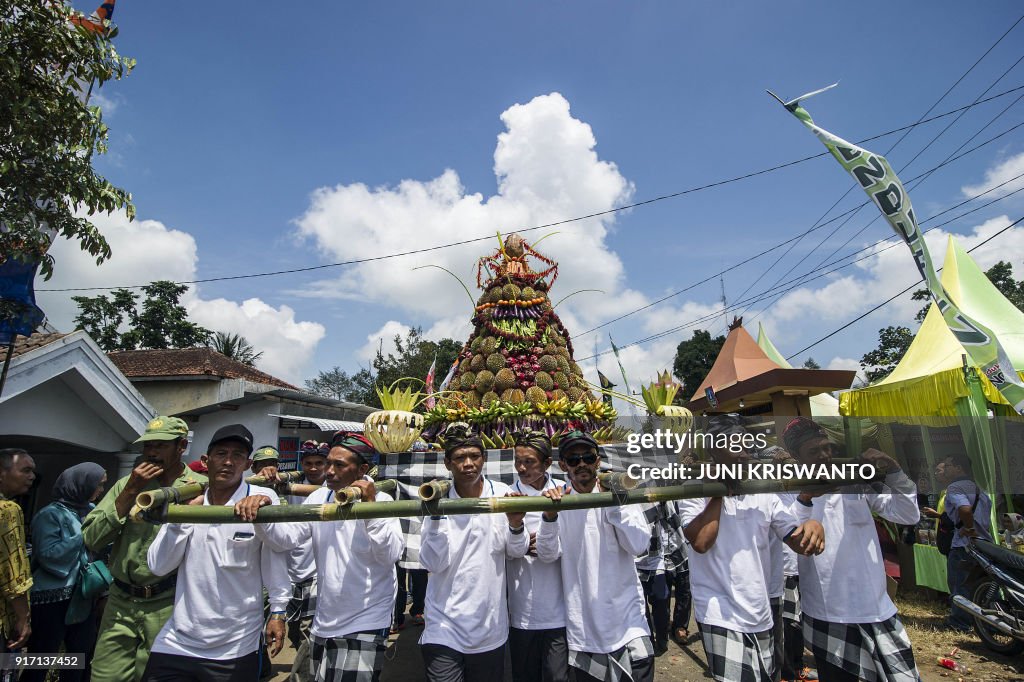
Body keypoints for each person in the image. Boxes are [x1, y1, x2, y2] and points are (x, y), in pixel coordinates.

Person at [679, 416, 825, 682]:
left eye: (746, 443)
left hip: (760, 611)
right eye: (734, 444)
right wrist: (719, 492)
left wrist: (810, 518)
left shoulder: (762, 491)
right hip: (719, 613)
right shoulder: (693, 489)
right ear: (713, 450)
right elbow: (701, 541)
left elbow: (795, 539)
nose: (744, 452)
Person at [142, 424, 291, 681]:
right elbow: (157, 566)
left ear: (247, 464)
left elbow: (279, 550)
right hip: (178, 640)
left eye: (238, 456)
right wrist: (183, 519)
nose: (229, 462)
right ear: (205, 460)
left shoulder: (261, 498)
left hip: (235, 645)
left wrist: (278, 612)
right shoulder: (189, 503)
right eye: (221, 454)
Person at [783, 417, 921, 682]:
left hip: (875, 607)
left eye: (827, 448)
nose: (824, 456)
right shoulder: (788, 490)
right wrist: (806, 498)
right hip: (828, 612)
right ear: (795, 456)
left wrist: (894, 470)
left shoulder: (857, 481)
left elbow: (907, 514)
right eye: (814, 452)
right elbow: (792, 543)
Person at [82, 416, 208, 682]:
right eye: (148, 445)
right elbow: (92, 539)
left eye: (160, 446)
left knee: (159, 676)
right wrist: (130, 490)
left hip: (170, 603)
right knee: (106, 675)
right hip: (121, 602)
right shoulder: (127, 484)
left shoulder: (200, 488)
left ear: (181, 446)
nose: (151, 452)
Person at [281, 432, 404, 681]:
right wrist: (263, 509)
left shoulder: (382, 500)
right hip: (324, 619)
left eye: (339, 465)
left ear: (362, 470)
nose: (328, 471)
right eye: (329, 463)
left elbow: (390, 554)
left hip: (366, 619)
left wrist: (369, 506)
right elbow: (288, 538)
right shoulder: (319, 498)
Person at [537, 430, 654, 682]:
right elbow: (547, 555)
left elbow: (639, 545)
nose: (581, 464)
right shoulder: (560, 501)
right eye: (573, 459)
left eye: (588, 458)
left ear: (597, 461)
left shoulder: (621, 495)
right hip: (584, 629)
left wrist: (614, 504)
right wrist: (548, 517)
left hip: (629, 624)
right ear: (563, 465)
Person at [419, 423, 529, 682]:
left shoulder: (502, 495)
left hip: (489, 629)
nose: (468, 463)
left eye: (474, 456)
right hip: (443, 628)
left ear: (484, 458)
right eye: (460, 458)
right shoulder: (437, 499)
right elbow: (433, 563)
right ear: (448, 463)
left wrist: (515, 524)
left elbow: (516, 552)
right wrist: (435, 517)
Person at [23, 463, 107, 682]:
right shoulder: (49, 515)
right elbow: (49, 556)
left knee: (79, 655)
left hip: (83, 595)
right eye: (98, 485)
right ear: (82, 485)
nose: (100, 491)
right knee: (41, 657)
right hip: (52, 598)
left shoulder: (91, 511)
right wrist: (84, 534)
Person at [506, 430, 568, 682]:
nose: (521, 468)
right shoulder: (508, 497)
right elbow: (510, 549)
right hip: (521, 612)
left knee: (557, 676)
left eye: (529, 461)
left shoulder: (565, 494)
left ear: (547, 463)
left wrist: (547, 541)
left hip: (559, 611)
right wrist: (517, 530)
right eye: (517, 461)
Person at [284, 440, 330, 666]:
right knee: (293, 629)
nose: (313, 468)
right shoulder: (287, 485)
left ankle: (306, 673)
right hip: (290, 568)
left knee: (308, 629)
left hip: (316, 570)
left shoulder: (334, 491)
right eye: (308, 463)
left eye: (319, 463)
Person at [939, 453, 992, 631]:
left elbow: (965, 509)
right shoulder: (979, 489)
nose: (944, 469)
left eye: (947, 466)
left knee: (960, 585)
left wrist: (968, 528)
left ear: (958, 468)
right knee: (981, 586)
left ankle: (960, 623)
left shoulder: (955, 487)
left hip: (964, 545)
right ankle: (987, 624)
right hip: (984, 545)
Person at [0, 450, 32, 680]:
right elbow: (13, 572)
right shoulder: (8, 511)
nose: (32, 476)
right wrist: (23, 618)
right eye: (25, 470)